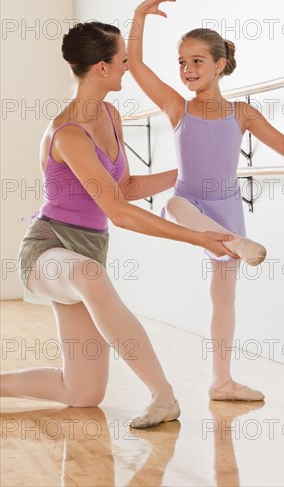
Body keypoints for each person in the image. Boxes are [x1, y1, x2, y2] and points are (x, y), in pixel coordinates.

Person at [0, 21, 240, 429]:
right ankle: (163, 395)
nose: (128, 68)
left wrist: (189, 171)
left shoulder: (110, 115)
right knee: (90, 275)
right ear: (102, 68)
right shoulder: (68, 133)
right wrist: (195, 237)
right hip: (47, 250)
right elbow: (118, 211)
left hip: (86, 253)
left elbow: (125, 187)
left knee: (83, 393)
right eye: (123, 61)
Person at [127, 0, 284, 402]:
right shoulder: (177, 108)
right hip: (190, 206)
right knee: (172, 204)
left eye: (197, 61)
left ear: (219, 65)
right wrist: (139, 17)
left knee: (222, 300)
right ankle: (235, 245)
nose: (187, 70)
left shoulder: (241, 113)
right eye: (182, 62)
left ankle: (222, 381)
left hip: (226, 211)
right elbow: (135, 66)